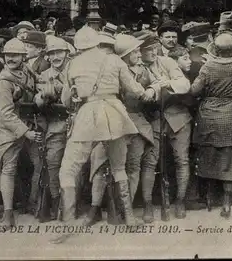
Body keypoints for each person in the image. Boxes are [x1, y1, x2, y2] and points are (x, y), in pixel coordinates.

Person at [51, 26, 155, 243]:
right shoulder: (114, 60)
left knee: (68, 170)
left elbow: (66, 101)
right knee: (119, 168)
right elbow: (135, 90)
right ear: (98, 42)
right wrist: (150, 91)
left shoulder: (74, 64)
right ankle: (129, 218)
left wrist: (78, 95)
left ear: (78, 46)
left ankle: (68, 222)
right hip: (115, 113)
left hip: (88, 115)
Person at [190, 33, 232, 218]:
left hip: (209, 115)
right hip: (231, 115)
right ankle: (226, 203)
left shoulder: (207, 67)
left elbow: (194, 90)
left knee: (208, 155)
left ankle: (209, 198)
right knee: (230, 158)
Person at [139, 33, 192, 223]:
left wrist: (168, 83)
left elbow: (184, 84)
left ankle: (180, 200)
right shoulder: (136, 67)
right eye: (147, 49)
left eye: (154, 48)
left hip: (178, 117)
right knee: (150, 162)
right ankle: (147, 204)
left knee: (182, 160)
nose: (153, 52)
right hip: (153, 118)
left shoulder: (167, 62)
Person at [0, 38, 44, 229]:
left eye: (15, 55)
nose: (11, 58)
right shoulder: (3, 82)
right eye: (8, 55)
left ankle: (34, 203)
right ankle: (8, 215)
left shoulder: (27, 70)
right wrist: (26, 133)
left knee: (39, 163)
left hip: (31, 122)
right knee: (8, 169)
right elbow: (5, 114)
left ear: (23, 57)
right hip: (11, 130)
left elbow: (37, 82)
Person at [34, 35, 71, 220]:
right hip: (56, 125)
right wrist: (41, 99)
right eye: (52, 53)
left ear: (67, 53)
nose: (56, 56)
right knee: (53, 163)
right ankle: (56, 202)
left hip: (77, 123)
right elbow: (38, 102)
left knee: (76, 167)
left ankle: (73, 203)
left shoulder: (75, 71)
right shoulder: (44, 75)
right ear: (47, 56)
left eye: (60, 52)